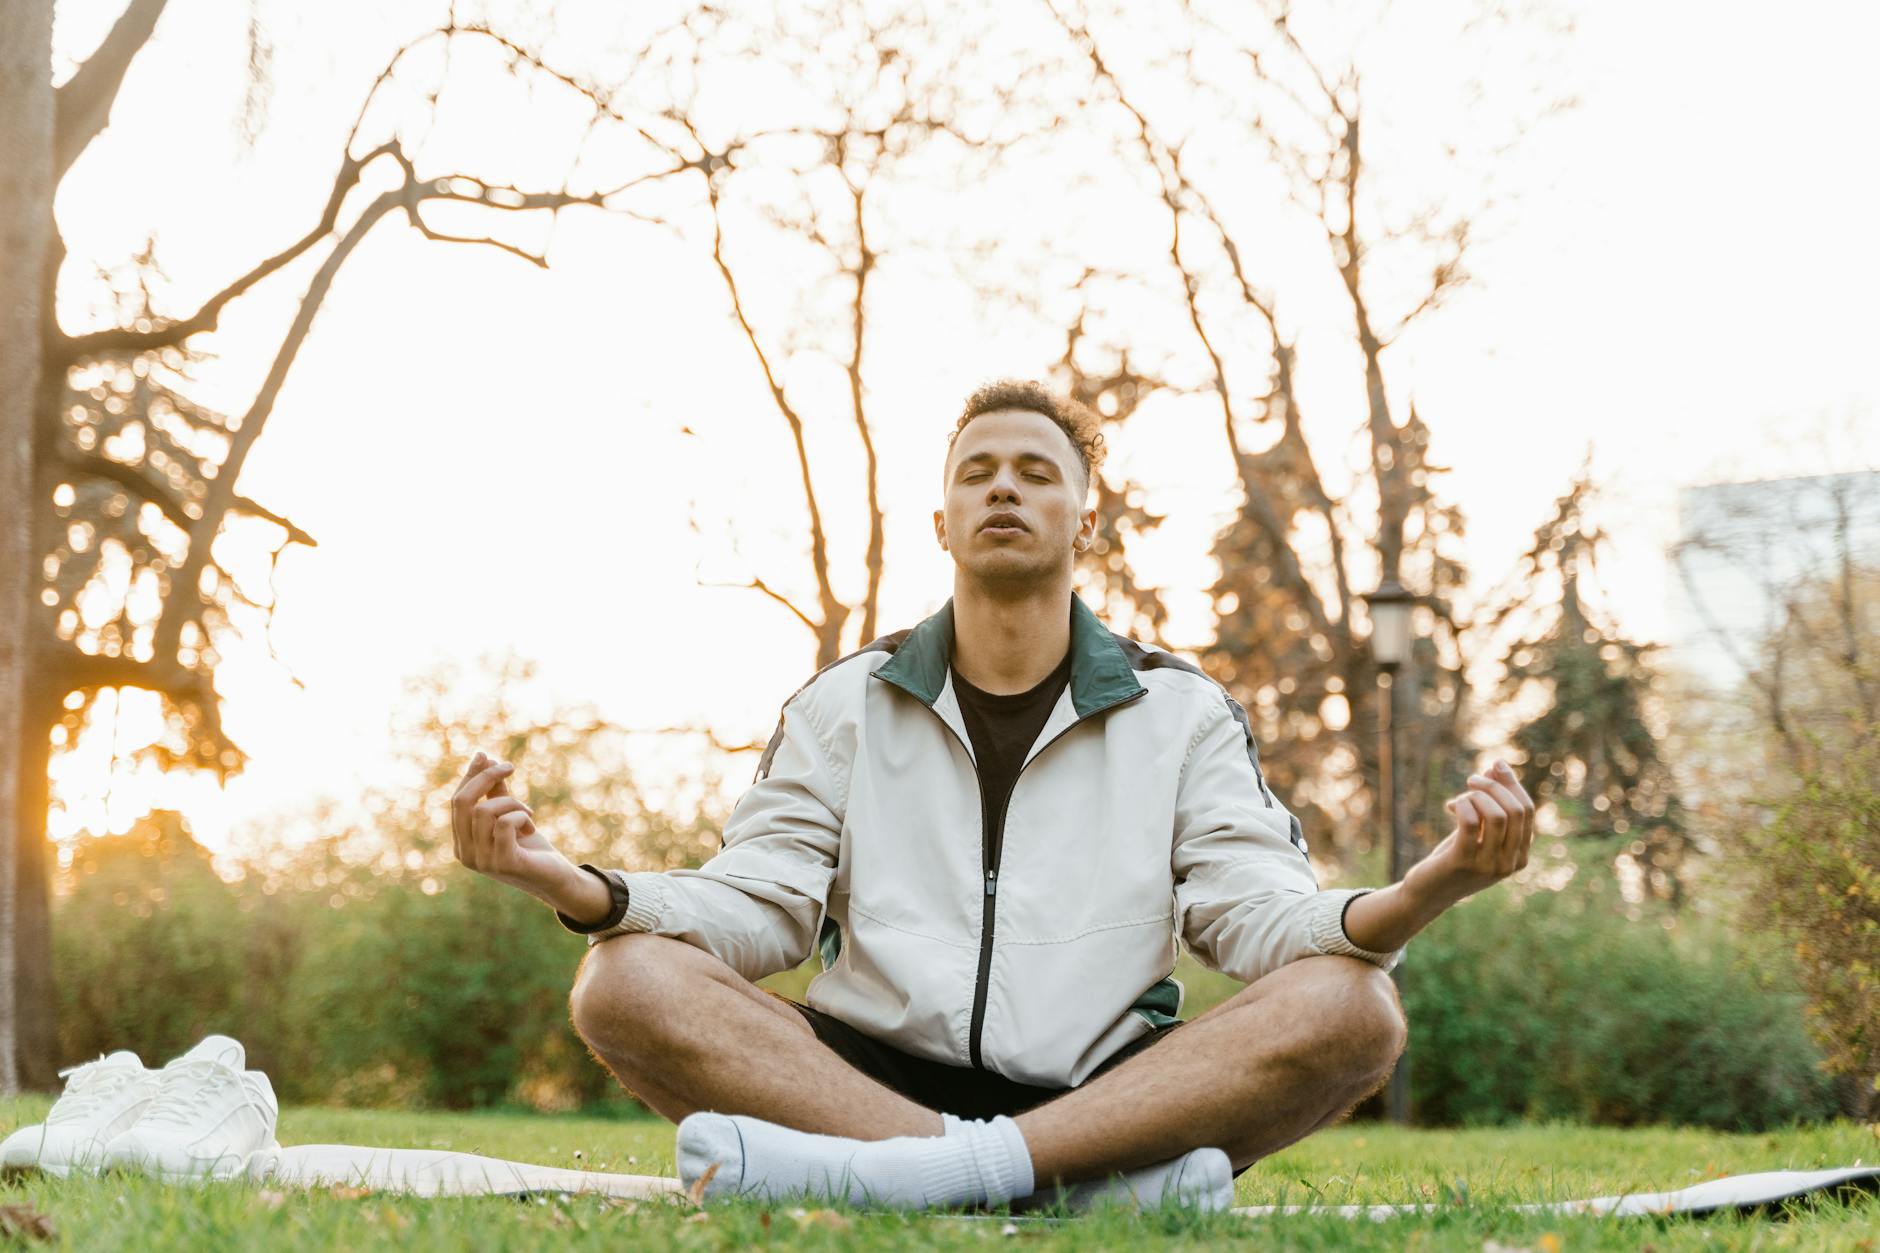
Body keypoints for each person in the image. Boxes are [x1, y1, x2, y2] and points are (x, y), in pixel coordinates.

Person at [450, 379, 1536, 1212]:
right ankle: (1023, 1181)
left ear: (1084, 522)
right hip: (862, 1075)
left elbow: (1259, 915)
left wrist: (1428, 886)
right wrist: (575, 883)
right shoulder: (843, 705)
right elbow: (759, 902)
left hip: (1101, 1090)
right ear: (941, 521)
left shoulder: (1182, 712)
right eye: (977, 471)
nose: (1003, 487)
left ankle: (912, 1177)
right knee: (620, 979)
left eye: (1032, 470)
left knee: (1351, 1006)